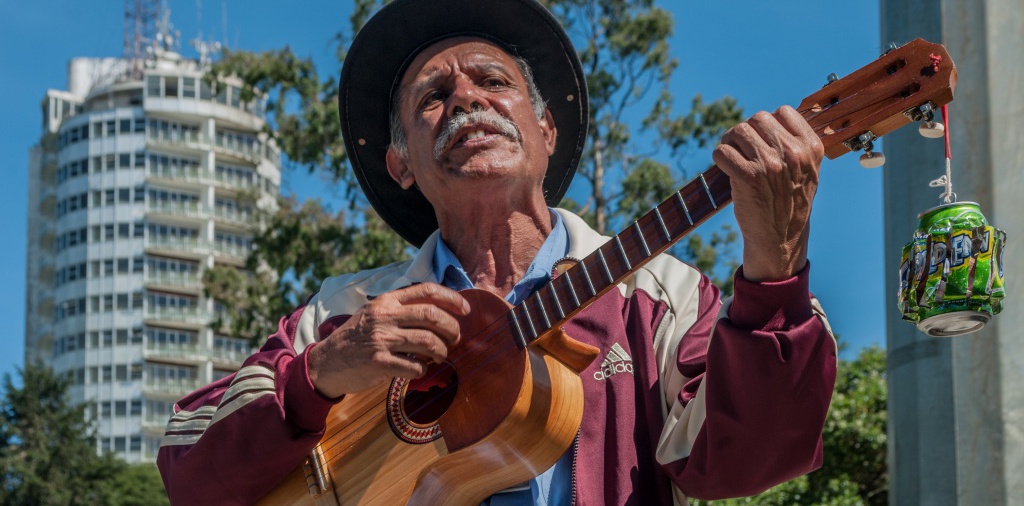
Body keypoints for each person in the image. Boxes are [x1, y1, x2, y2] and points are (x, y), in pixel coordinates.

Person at [157, 0, 836, 504]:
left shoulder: (658, 297)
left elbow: (751, 460)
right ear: (401, 163)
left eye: (494, 81)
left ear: (544, 130)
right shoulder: (345, 313)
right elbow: (189, 467)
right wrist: (320, 372)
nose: (468, 100)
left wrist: (776, 270)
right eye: (434, 96)